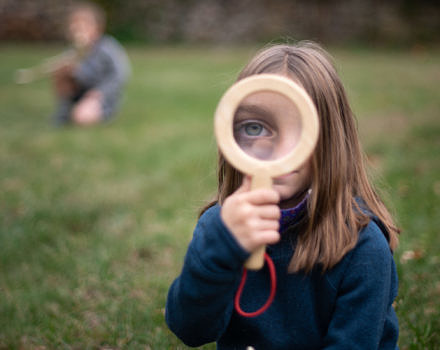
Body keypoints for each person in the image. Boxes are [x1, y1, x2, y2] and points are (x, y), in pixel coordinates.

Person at [165, 42, 400, 349]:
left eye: (302, 130)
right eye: (255, 127)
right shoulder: (219, 227)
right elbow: (191, 330)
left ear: (332, 139)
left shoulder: (363, 247)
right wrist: (220, 250)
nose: (281, 152)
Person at [52, 2, 130, 126]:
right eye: (74, 26)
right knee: (61, 72)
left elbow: (119, 75)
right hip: (80, 92)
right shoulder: (74, 52)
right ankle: (64, 112)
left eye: (83, 26)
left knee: (81, 118)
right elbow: (79, 78)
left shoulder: (107, 48)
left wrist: (100, 93)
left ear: (97, 28)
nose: (77, 30)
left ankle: (98, 114)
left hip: (99, 97)